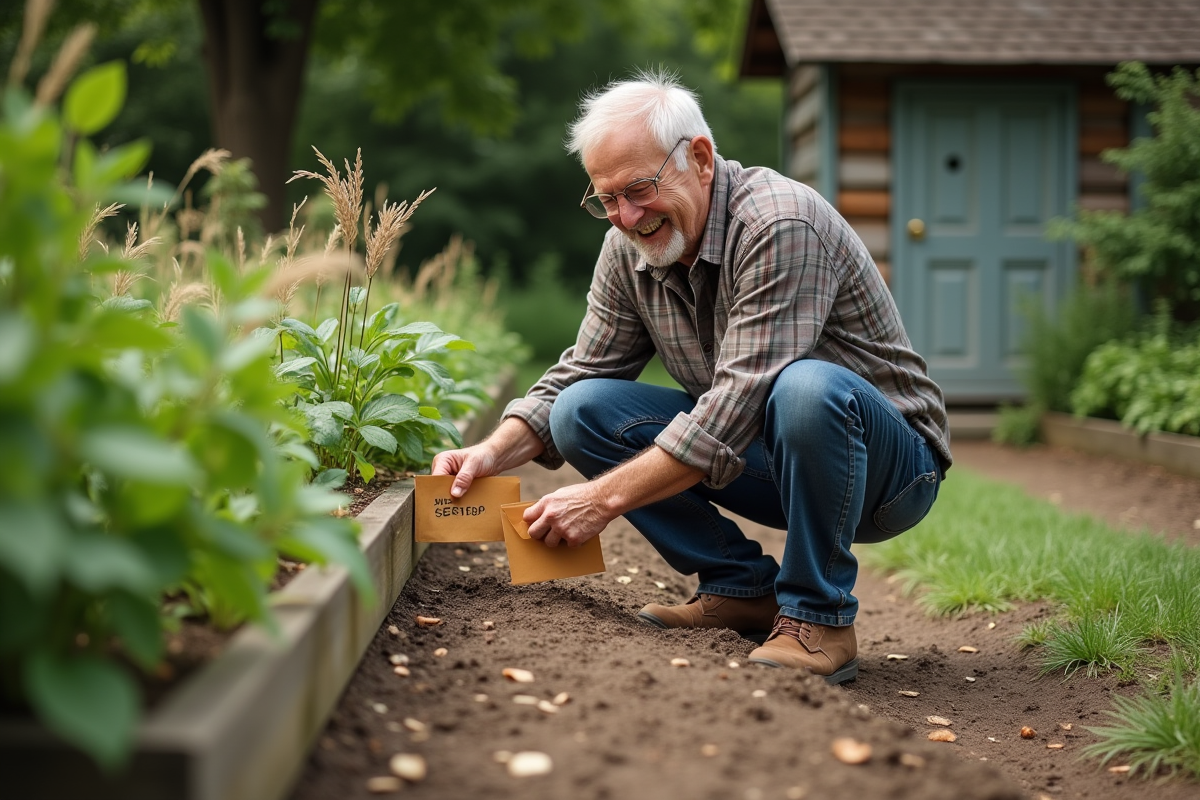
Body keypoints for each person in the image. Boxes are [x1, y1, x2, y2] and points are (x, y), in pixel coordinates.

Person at [431, 68, 951, 685]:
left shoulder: (781, 224)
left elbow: (738, 401)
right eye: (607, 199)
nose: (626, 216)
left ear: (700, 158)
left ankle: (820, 617)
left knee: (806, 386)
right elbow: (585, 368)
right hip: (777, 459)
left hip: (886, 472)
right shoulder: (628, 250)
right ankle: (741, 586)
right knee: (580, 409)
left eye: (640, 189)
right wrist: (492, 452)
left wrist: (599, 500)